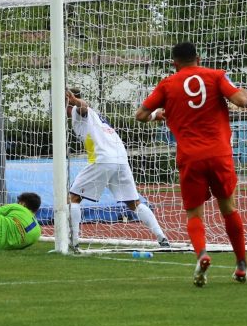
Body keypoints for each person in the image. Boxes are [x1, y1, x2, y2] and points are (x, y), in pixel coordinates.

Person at [135, 41, 247, 287]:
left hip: (190, 157)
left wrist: (159, 114)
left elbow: (141, 115)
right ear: (198, 58)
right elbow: (241, 100)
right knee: (228, 207)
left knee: (194, 213)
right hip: (219, 154)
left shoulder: (167, 84)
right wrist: (244, 92)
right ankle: (241, 265)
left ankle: (201, 255)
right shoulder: (216, 76)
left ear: (174, 63)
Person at [66, 88, 169, 251]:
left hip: (103, 159)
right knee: (134, 203)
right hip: (120, 160)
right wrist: (155, 115)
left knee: (73, 198)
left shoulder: (79, 112)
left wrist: (75, 102)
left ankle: (74, 242)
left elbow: (83, 107)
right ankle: (162, 238)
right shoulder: (101, 119)